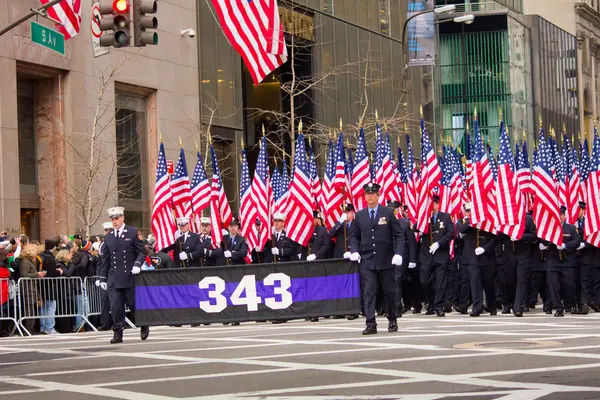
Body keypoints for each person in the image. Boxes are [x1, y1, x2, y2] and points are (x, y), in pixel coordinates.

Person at [349, 183, 405, 335]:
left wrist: (398, 253)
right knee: (369, 291)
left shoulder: (387, 212)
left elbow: (398, 234)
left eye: (373, 194)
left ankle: (392, 319)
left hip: (386, 260)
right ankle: (370, 323)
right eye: (368, 194)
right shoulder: (359, 215)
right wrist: (354, 250)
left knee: (390, 291)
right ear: (365, 196)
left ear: (378, 195)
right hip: (367, 260)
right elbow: (353, 235)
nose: (370, 196)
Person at [96, 207, 149, 344]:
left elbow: (142, 251)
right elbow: (105, 260)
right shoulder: (108, 237)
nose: (114, 221)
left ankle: (143, 324)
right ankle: (117, 332)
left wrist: (137, 264)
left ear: (122, 218)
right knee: (115, 307)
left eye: (117, 218)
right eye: (112, 219)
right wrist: (102, 278)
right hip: (114, 277)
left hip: (129, 275)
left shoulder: (132, 232)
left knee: (133, 304)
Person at [417, 195, 455, 317]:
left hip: (440, 254)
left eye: (434, 203)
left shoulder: (445, 217)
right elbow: (416, 227)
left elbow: (451, 233)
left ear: (438, 205)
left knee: (440, 282)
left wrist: (439, 243)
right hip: (426, 255)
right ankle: (431, 302)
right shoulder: (424, 216)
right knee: (424, 281)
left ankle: (438, 306)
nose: (432, 206)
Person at [457, 203, 497, 317]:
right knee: (475, 284)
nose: (470, 212)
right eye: (468, 210)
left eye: (472, 210)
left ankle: (492, 305)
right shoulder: (464, 222)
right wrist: (469, 218)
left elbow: (494, 238)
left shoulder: (486, 221)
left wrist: (484, 249)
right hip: (471, 258)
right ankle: (477, 307)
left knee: (488, 284)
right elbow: (463, 229)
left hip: (486, 257)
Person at [546, 206, 580, 317]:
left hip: (567, 262)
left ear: (564, 216)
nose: (559, 216)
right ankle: (558, 308)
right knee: (553, 285)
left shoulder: (570, 228)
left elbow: (577, 242)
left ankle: (569, 303)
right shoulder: (548, 228)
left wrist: (565, 245)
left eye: (561, 215)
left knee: (569, 286)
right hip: (553, 261)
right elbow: (542, 240)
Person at [387, 201, 417, 319]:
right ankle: (390, 308)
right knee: (390, 283)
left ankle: (396, 308)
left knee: (397, 281)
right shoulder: (384, 223)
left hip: (401, 257)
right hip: (388, 257)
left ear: (397, 210)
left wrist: (412, 259)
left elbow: (411, 243)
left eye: (393, 209)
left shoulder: (404, 223)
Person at [576, 201, 599, 313]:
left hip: (586, 256)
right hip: (571, 257)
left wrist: (584, 244)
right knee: (573, 281)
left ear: (583, 210)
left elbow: (595, 238)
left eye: (579, 209)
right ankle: (577, 303)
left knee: (585, 280)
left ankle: (585, 303)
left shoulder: (589, 222)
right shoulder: (571, 222)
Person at [19, 243, 46, 333]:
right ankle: (28, 329)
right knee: (29, 310)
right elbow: (24, 275)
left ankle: (30, 328)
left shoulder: (30, 262)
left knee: (32, 310)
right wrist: (36, 274)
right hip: (27, 289)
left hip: (32, 289)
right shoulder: (25, 262)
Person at [39, 239, 61, 334]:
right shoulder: (50, 258)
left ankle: (43, 326)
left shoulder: (41, 256)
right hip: (50, 285)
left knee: (44, 307)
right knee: (51, 306)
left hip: (42, 285)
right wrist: (59, 271)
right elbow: (52, 273)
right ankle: (50, 327)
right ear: (54, 247)